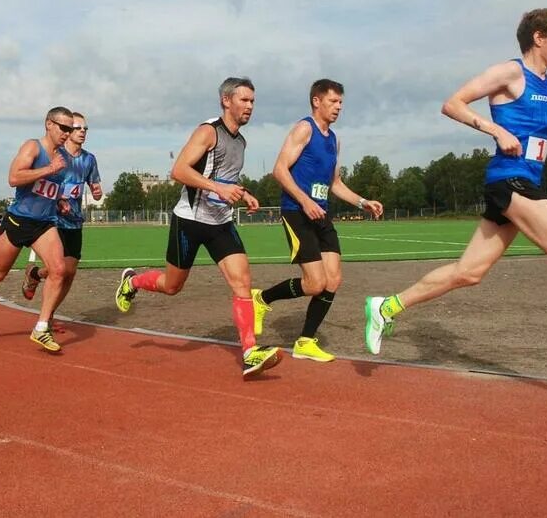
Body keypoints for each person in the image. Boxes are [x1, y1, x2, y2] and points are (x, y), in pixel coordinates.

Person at [362, 8, 547, 396]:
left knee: (469, 272)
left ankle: (386, 307)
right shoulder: (510, 72)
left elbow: (541, 150)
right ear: (539, 37)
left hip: (525, 180)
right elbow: (452, 103)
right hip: (509, 181)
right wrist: (495, 129)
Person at [114, 78, 281, 379]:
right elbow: (178, 170)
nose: (250, 107)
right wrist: (216, 186)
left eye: (253, 101)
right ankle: (133, 281)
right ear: (226, 101)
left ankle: (249, 352)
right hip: (189, 221)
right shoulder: (208, 132)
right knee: (172, 286)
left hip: (220, 222)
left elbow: (226, 180)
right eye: (244, 100)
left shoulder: (241, 142)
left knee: (242, 282)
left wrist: (242, 194)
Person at [250, 79, 384, 363]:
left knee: (333, 280)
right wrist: (305, 200)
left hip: (321, 214)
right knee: (314, 283)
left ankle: (305, 341)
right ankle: (261, 299)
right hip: (297, 213)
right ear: (316, 101)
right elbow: (279, 170)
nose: (338, 107)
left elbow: (335, 183)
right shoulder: (304, 129)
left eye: (341, 103)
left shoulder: (334, 139)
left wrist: (363, 202)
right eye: (333, 101)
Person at [0, 107, 74, 353]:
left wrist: (60, 201)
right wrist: (49, 168)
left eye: (70, 129)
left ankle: (41, 327)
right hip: (18, 221)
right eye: (63, 127)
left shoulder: (63, 159)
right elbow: (14, 178)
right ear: (48, 124)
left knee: (59, 269)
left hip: (44, 223)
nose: (67, 133)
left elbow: (47, 188)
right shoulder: (33, 147)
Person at [20, 111, 104, 331]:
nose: (83, 132)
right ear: (67, 131)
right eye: (78, 128)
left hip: (75, 221)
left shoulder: (89, 159)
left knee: (70, 272)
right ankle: (44, 320)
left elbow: (95, 187)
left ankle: (35, 277)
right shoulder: (55, 155)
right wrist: (57, 199)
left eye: (85, 129)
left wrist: (96, 192)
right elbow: (40, 182)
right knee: (59, 269)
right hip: (52, 219)